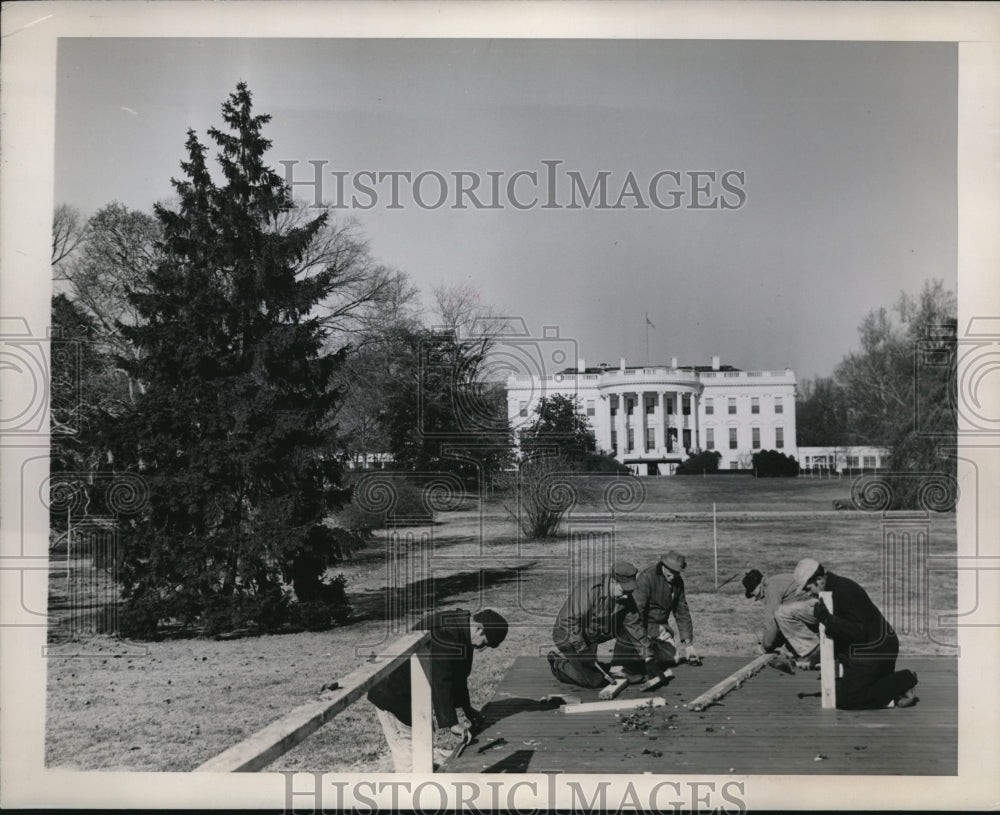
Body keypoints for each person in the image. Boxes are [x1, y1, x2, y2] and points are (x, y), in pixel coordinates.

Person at [366, 607, 509, 771]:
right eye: (484, 643)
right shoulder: (446, 633)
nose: (481, 648)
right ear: (479, 629)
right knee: (408, 757)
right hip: (393, 695)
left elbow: (458, 674)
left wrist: (466, 708)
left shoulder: (462, 629)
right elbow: (441, 678)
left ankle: (423, 775)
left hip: (414, 694)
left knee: (421, 750)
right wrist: (451, 723)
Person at [793, 558, 918, 710]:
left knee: (846, 699)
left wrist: (826, 618)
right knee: (842, 691)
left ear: (819, 580)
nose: (808, 594)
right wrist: (816, 657)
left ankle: (905, 680)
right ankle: (887, 683)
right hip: (867, 648)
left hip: (875, 651)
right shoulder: (833, 589)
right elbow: (843, 634)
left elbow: (858, 631)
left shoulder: (844, 591)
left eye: (808, 589)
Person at [548, 561, 646, 689]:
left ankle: (620, 666)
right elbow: (568, 621)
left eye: (630, 591)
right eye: (624, 590)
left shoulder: (624, 595)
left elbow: (634, 625)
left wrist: (648, 656)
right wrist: (582, 650)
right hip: (568, 636)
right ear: (613, 582)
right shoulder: (587, 590)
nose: (627, 596)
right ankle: (558, 664)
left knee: (627, 628)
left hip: (592, 635)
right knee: (593, 681)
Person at [629, 550, 700, 682]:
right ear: (663, 565)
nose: (673, 576)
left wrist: (688, 645)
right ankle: (638, 659)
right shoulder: (647, 578)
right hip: (643, 627)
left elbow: (682, 612)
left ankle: (648, 656)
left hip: (661, 629)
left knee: (674, 659)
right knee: (646, 657)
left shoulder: (678, 582)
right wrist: (650, 633)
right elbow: (636, 615)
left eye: (677, 572)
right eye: (670, 571)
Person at [742, 567, 820, 669]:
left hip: (815, 611)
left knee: (781, 615)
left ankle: (812, 651)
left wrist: (765, 647)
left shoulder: (771, 589)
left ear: (758, 587)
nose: (759, 599)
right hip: (813, 608)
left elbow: (771, 624)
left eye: (757, 596)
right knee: (784, 619)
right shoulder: (776, 581)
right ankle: (805, 651)